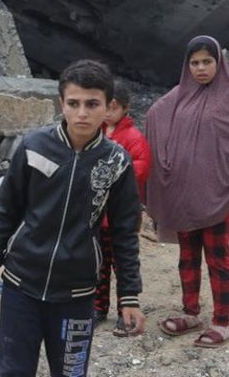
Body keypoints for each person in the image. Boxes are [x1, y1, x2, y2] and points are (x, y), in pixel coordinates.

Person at [0, 59, 146, 377]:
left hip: (77, 295)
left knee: (70, 373)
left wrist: (128, 296)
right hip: (21, 285)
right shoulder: (35, 146)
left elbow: (124, 232)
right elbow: (6, 209)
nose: (82, 113)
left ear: (108, 107)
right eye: (73, 103)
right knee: (12, 371)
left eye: (92, 104)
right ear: (61, 103)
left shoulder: (116, 162)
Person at [144, 35, 229, 349]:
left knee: (217, 257)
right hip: (184, 194)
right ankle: (191, 313)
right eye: (195, 63)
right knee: (188, 256)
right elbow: (153, 116)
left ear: (219, 63)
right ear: (187, 66)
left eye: (207, 62)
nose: (201, 68)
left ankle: (222, 321)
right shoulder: (177, 97)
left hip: (220, 194)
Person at [95, 84, 151, 336]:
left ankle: (124, 311)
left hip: (121, 214)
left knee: (123, 262)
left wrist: (112, 178)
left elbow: (141, 167)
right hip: (98, 215)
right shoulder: (96, 134)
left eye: (113, 107)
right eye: (105, 106)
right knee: (98, 264)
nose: (108, 112)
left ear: (125, 108)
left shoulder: (133, 138)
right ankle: (97, 308)